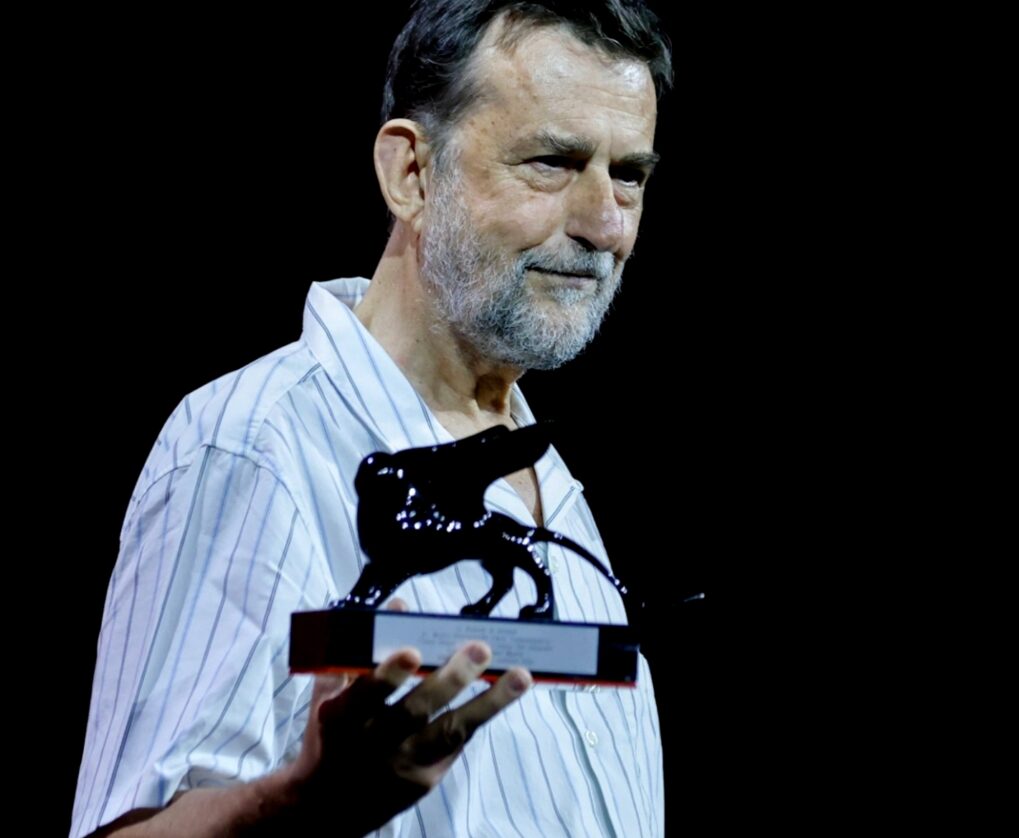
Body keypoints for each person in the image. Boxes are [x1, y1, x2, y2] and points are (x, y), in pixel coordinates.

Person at [71, 1, 673, 835]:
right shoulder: (255, 446)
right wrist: (302, 804)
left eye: (630, 175)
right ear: (411, 175)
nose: (605, 223)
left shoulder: (552, 485)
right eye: (552, 162)